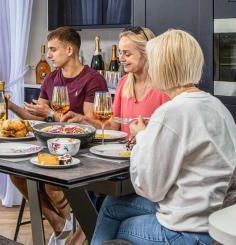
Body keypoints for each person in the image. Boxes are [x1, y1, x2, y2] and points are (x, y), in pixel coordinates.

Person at [92, 29, 236, 244]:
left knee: (121, 225)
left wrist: (142, 137)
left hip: (189, 230)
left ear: (162, 67)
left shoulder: (171, 112)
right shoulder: (216, 105)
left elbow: (149, 188)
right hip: (215, 216)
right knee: (112, 204)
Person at [63, 26, 169, 245]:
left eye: (127, 53)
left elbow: (167, 138)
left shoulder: (163, 89)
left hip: (146, 169)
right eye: (120, 53)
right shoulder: (124, 83)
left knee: (96, 192)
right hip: (120, 161)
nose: (121, 58)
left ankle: (82, 238)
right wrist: (84, 119)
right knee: (86, 185)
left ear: (147, 53)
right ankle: (85, 237)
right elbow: (112, 124)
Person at [8, 26, 108, 245]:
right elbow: (38, 117)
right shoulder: (52, 78)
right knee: (15, 173)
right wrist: (10, 105)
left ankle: (76, 223)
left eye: (53, 49)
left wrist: (51, 114)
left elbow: (92, 123)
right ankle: (62, 224)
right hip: (53, 143)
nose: (48, 55)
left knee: (50, 181)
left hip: (83, 149)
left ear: (69, 49)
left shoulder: (93, 79)